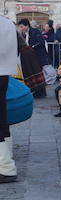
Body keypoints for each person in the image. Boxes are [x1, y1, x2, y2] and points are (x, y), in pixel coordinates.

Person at [0, 15, 17, 183]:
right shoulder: (7, 22)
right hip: (4, 74)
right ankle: (6, 163)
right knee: (2, 118)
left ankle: (6, 166)